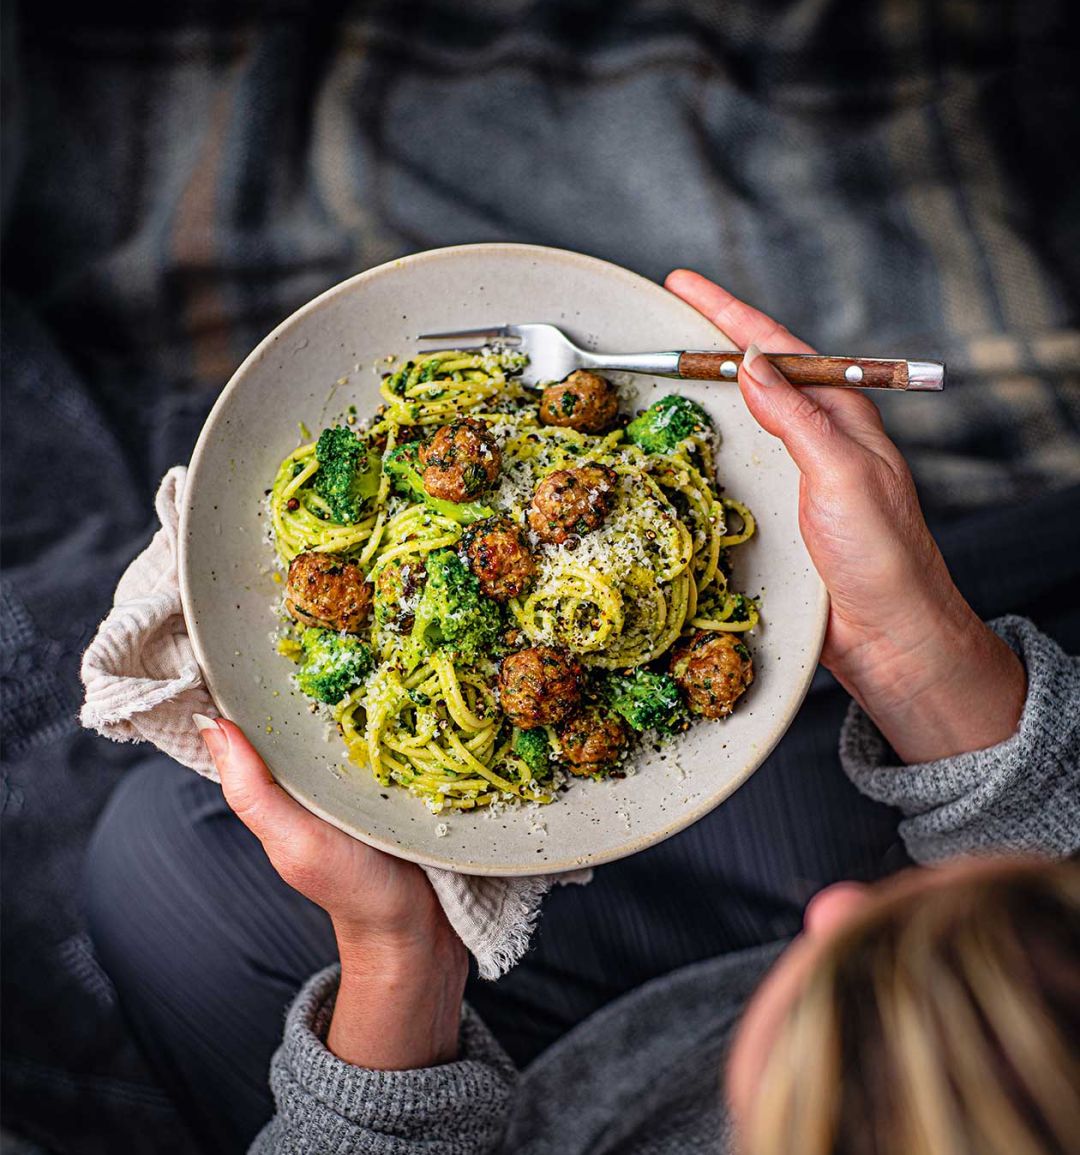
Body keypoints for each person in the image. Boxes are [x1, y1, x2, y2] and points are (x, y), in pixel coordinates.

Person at [85, 274, 1080, 1154]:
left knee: (155, 863)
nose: (844, 908)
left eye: (851, 1002)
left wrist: (401, 962)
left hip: (556, 1086)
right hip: (694, 988)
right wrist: (914, 654)